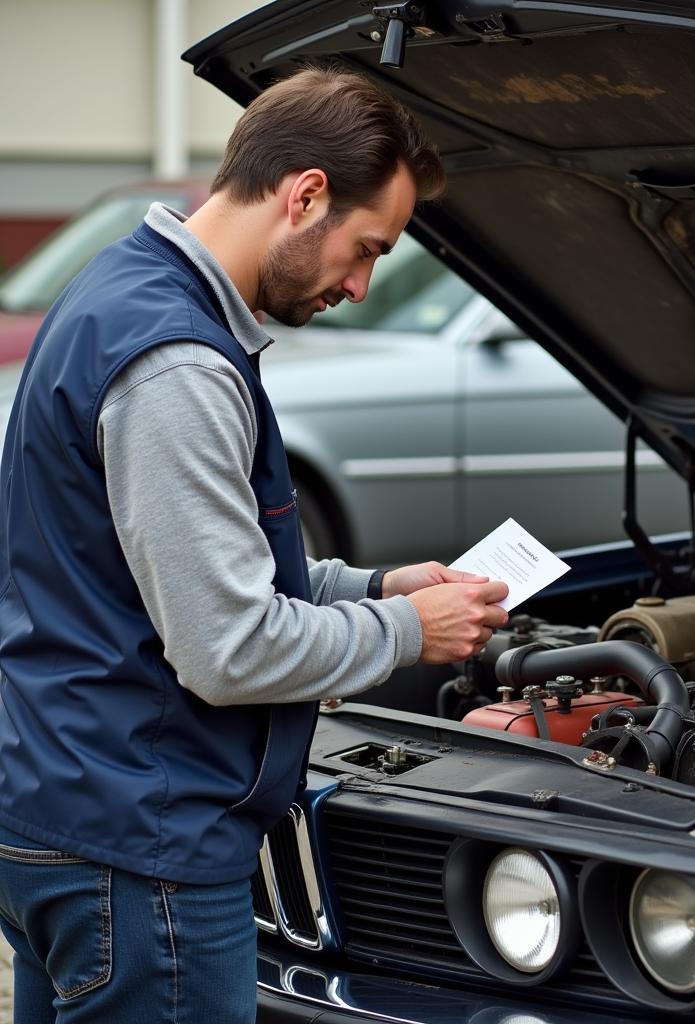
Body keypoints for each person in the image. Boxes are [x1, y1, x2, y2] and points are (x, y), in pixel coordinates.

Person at [0, 67, 509, 1023]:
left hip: (64, 808)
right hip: (139, 852)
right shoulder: (178, 365)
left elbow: (178, 577)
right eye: (366, 251)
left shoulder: (119, 288)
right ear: (305, 195)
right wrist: (406, 629)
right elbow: (226, 646)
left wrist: (375, 584)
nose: (359, 286)